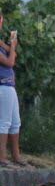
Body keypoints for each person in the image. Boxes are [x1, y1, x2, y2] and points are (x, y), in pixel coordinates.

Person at [0, 15, 22, 166]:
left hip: (9, 86)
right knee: (4, 123)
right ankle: (2, 158)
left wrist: (10, 44)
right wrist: (13, 45)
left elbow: (14, 54)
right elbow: (10, 62)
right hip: (2, 86)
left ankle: (16, 157)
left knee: (15, 122)